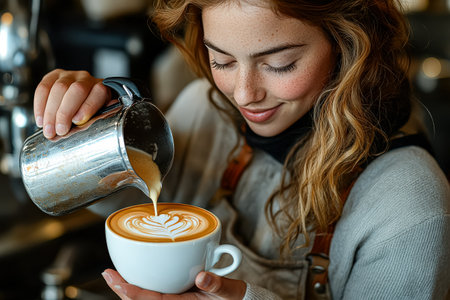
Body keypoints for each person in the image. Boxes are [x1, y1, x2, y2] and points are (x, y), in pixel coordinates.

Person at [33, 0, 450, 299]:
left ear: (348, 44)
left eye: (280, 63)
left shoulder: (410, 207)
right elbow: (119, 200)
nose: (245, 95)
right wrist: (88, 128)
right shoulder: (204, 110)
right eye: (222, 61)